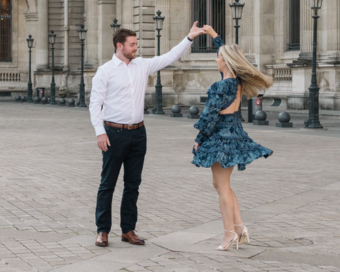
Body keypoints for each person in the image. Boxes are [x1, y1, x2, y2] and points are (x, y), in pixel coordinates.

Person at [89, 21, 203, 247]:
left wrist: (189, 38)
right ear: (119, 46)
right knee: (107, 184)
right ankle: (103, 231)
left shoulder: (142, 65)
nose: (136, 48)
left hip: (138, 133)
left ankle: (128, 230)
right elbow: (95, 104)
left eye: (136, 44)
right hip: (113, 133)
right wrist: (100, 132)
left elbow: (169, 57)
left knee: (133, 184)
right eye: (132, 45)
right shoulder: (105, 71)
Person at [190, 26, 274, 251]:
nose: (216, 59)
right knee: (221, 184)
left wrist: (199, 139)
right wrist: (214, 35)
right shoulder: (234, 82)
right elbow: (227, 55)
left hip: (221, 138)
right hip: (234, 135)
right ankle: (239, 228)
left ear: (225, 62)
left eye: (218, 57)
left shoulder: (221, 86)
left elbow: (209, 116)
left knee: (222, 186)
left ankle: (229, 233)